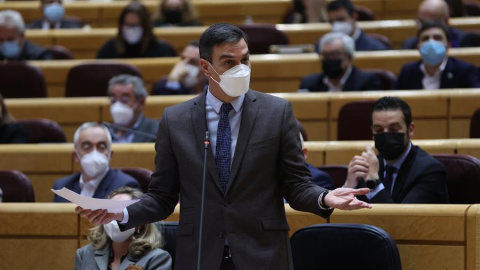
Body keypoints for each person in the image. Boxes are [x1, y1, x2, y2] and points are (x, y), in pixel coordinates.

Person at [77, 23, 371, 270]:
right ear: (206, 67)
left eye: (245, 60)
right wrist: (123, 213)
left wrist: (324, 198)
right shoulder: (176, 120)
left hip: (263, 253)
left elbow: (296, 184)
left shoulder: (277, 112)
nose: (241, 69)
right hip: (201, 254)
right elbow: (163, 196)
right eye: (229, 62)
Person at [344, 96, 449, 203]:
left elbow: (401, 218)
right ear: (372, 132)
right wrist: (348, 186)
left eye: (394, 129)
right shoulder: (367, 168)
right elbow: (340, 216)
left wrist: (374, 183)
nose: (386, 135)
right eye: (379, 129)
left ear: (410, 129)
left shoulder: (430, 171)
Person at [75, 186, 172, 270]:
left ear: (141, 223)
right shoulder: (84, 254)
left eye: (119, 213)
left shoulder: (157, 258)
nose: (114, 218)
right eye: (110, 212)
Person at [52, 122, 140, 202]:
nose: (95, 152)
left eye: (101, 147)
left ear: (110, 154)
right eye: (87, 147)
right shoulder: (62, 186)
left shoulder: (125, 185)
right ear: (75, 156)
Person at [394, 21, 480, 90]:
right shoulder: (407, 72)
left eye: (437, 38)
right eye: (425, 38)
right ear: (418, 47)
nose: (431, 42)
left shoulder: (465, 71)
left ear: (448, 46)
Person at [300, 32, 381, 92]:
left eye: (334, 54)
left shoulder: (366, 82)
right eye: (325, 55)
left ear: (349, 58)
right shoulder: (309, 83)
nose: (329, 59)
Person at [96, 2, 176, 59]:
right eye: (128, 25)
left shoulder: (161, 50)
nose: (131, 30)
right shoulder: (109, 48)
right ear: (121, 25)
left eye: (135, 26)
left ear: (145, 26)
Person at [318, 0, 390, 52]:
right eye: (332, 21)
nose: (336, 25)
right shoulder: (321, 46)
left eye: (341, 20)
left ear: (354, 17)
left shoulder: (376, 48)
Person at [402, 0, 477, 49]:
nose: (425, 28)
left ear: (446, 21)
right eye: (421, 22)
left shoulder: (467, 40)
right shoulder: (409, 44)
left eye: (432, 23)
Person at [107, 74, 159, 143]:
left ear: (141, 102)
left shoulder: (156, 132)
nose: (117, 105)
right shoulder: (104, 131)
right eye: (113, 99)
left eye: (124, 99)